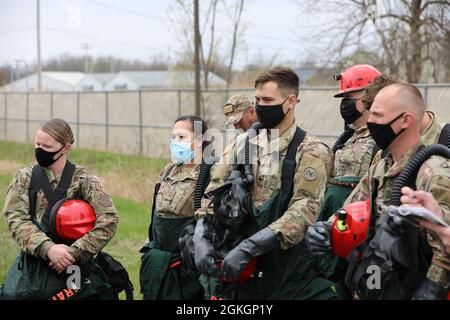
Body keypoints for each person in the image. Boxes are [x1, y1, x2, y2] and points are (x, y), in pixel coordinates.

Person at [192, 67, 340, 300]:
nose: (261, 106)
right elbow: (214, 193)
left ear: (290, 101)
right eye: (258, 99)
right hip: (240, 276)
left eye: (268, 100)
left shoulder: (311, 151)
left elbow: (304, 210)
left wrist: (250, 247)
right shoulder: (242, 144)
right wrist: (200, 236)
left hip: (286, 275)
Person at [306, 83, 450, 299]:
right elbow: (353, 206)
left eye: (378, 115)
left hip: (411, 285)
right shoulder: (382, 166)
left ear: (406, 120)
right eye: (370, 113)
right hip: (380, 279)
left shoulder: (433, 172)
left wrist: (433, 287)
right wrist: (327, 229)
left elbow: (444, 238)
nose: (370, 122)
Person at [0, 118, 119, 300]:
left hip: (74, 266)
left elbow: (108, 219)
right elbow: (14, 217)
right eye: (37, 143)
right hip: (34, 264)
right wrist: (47, 248)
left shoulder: (84, 180)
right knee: (15, 294)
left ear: (66, 148)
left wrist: (74, 253)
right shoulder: (25, 177)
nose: (39, 150)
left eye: (46, 146)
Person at [140, 115, 208, 300]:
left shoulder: (210, 172)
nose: (175, 142)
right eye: (173, 137)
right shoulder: (168, 170)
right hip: (161, 260)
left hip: (189, 265)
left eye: (181, 137)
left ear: (200, 139)